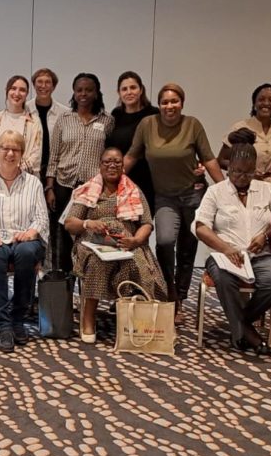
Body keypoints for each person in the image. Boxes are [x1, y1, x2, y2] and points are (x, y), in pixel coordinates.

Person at [124, 82, 224, 320]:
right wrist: (105, 181)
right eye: (165, 102)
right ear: (159, 105)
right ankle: (169, 291)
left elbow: (208, 159)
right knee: (166, 242)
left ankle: (179, 297)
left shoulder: (192, 125)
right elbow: (131, 155)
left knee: (188, 249)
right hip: (164, 197)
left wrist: (224, 189)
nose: (170, 106)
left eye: (174, 101)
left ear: (182, 103)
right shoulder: (148, 125)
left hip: (193, 195)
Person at [64, 147, 167, 344]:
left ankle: (138, 322)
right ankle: (88, 318)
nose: (112, 165)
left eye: (117, 162)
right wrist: (88, 223)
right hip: (93, 243)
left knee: (139, 264)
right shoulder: (88, 190)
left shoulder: (133, 190)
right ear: (100, 165)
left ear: (123, 166)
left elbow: (146, 223)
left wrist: (136, 240)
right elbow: (70, 223)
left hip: (127, 243)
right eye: (107, 162)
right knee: (96, 262)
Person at [193, 143, 271, 352]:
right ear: (229, 167)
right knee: (224, 279)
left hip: (260, 254)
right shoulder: (215, 192)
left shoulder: (268, 191)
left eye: (247, 172)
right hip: (224, 255)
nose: (241, 176)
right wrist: (226, 248)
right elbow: (201, 228)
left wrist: (265, 236)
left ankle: (241, 325)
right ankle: (244, 332)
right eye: (236, 171)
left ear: (255, 169)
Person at [0, 131, 49, 353]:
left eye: (15, 149)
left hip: (23, 238)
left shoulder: (33, 184)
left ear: (22, 154)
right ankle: (3, 323)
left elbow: (42, 218)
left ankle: (18, 318)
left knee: (26, 253)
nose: (10, 153)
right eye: (5, 148)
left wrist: (31, 232)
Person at [45, 73, 113, 272]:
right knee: (62, 242)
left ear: (96, 92)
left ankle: (88, 290)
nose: (84, 94)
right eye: (79, 90)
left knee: (90, 238)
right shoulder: (64, 119)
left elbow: (110, 157)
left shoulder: (107, 121)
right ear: (74, 93)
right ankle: (64, 290)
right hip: (64, 186)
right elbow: (54, 156)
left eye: (88, 90)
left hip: (93, 189)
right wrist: (50, 187)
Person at [106, 71, 160, 205]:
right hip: (119, 177)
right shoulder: (116, 114)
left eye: (133, 87)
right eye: (124, 89)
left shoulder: (153, 114)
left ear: (141, 90)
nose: (129, 92)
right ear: (119, 92)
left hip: (145, 177)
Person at [218, 83, 271, 184]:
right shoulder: (240, 127)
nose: (266, 103)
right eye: (261, 99)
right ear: (254, 103)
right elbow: (221, 160)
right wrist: (245, 171)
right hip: (243, 185)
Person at [0, 75, 42, 175]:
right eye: (13, 88)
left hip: (24, 181)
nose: (17, 93)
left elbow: (35, 156)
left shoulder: (33, 121)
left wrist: (13, 177)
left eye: (22, 90)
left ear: (27, 94)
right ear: (7, 91)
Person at [29, 68, 71, 184]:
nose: (43, 86)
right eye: (39, 81)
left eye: (48, 82)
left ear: (53, 87)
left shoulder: (65, 113)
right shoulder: (25, 110)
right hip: (30, 171)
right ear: (34, 84)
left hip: (57, 172)